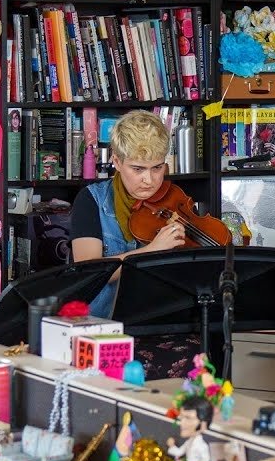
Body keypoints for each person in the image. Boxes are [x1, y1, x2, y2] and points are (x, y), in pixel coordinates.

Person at [71, 110, 188, 320]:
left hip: (160, 321)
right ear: (116, 161)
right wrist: (153, 249)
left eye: (157, 168)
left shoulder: (176, 201)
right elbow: (89, 273)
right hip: (101, 325)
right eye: (138, 169)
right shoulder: (91, 200)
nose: (149, 180)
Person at [167, 395, 212, 461]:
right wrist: (171, 446)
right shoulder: (189, 442)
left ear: (203, 424)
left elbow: (206, 458)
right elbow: (179, 452)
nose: (182, 423)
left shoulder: (201, 445)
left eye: (188, 418)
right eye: (181, 417)